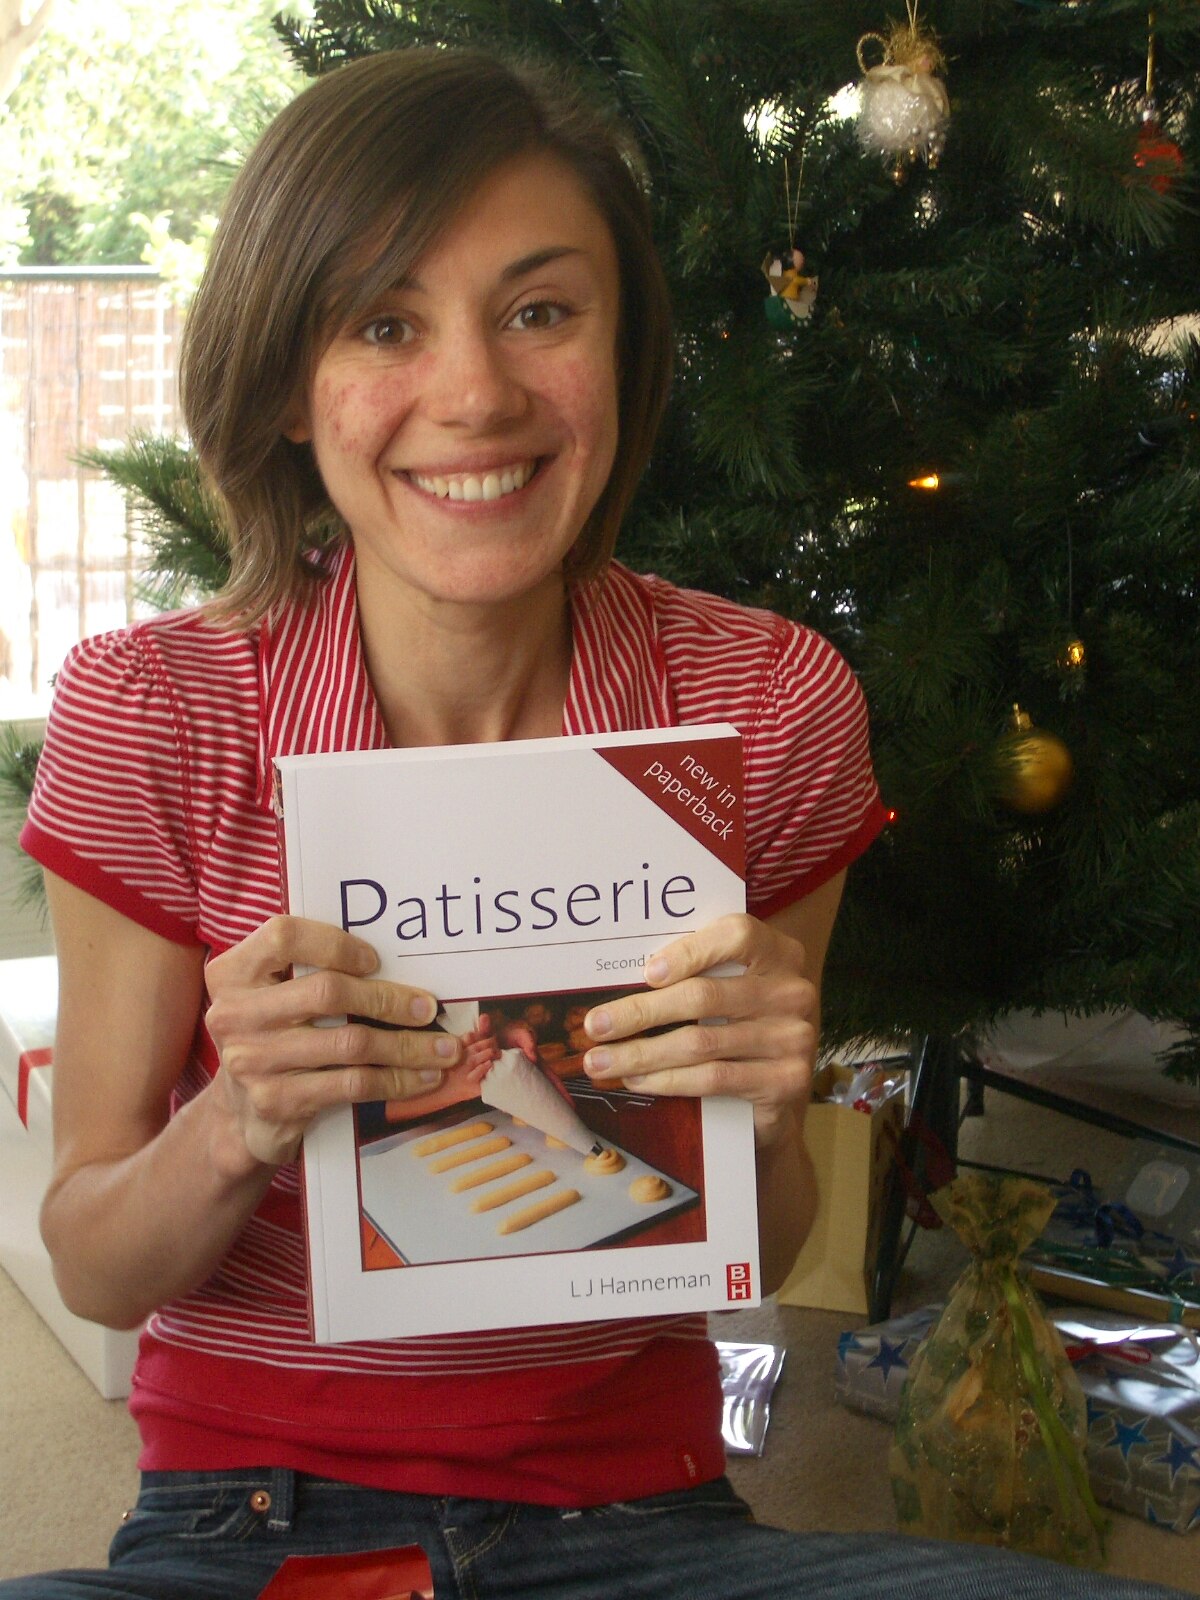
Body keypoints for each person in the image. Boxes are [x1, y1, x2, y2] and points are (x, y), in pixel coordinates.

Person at [4, 46, 1183, 1600]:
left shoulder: (765, 704)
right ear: (293, 385)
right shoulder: (158, 709)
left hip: (638, 1518)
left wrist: (764, 1111)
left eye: (542, 310)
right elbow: (92, 1255)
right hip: (255, 1521)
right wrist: (233, 1126)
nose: (478, 393)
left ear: (625, 351)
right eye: (383, 324)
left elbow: (755, 1241)